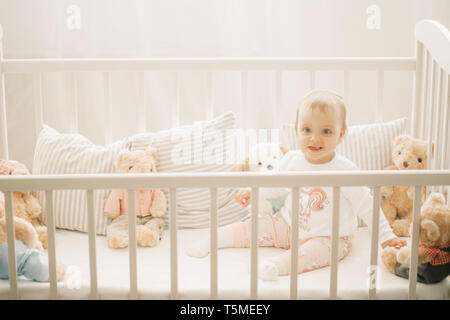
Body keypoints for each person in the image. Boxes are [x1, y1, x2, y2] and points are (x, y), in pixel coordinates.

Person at [187, 89, 406, 281]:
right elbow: (275, 187)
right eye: (307, 130)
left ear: (340, 135)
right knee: (255, 226)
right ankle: (214, 240)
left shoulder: (345, 170)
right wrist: (255, 193)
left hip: (331, 237)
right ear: (297, 130)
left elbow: (366, 206)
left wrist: (386, 237)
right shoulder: (291, 160)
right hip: (288, 225)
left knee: (314, 252)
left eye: (326, 131)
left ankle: (279, 265)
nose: (315, 139)